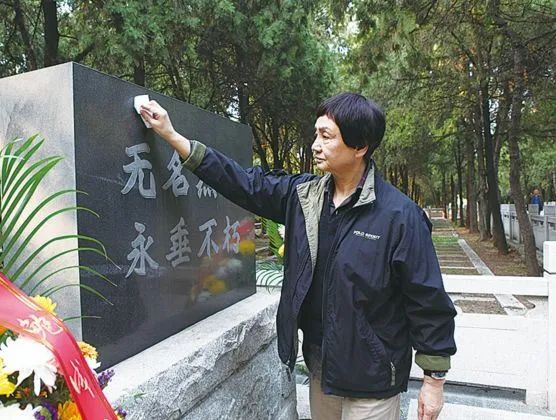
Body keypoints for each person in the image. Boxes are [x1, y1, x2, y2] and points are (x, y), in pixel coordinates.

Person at [139, 93, 457, 420]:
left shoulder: (400, 216)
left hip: (372, 382)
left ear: (360, 146)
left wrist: (434, 381)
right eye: (316, 134)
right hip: (322, 372)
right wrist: (172, 136)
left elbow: (427, 299)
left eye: (326, 136)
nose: (315, 145)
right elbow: (242, 182)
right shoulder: (304, 198)